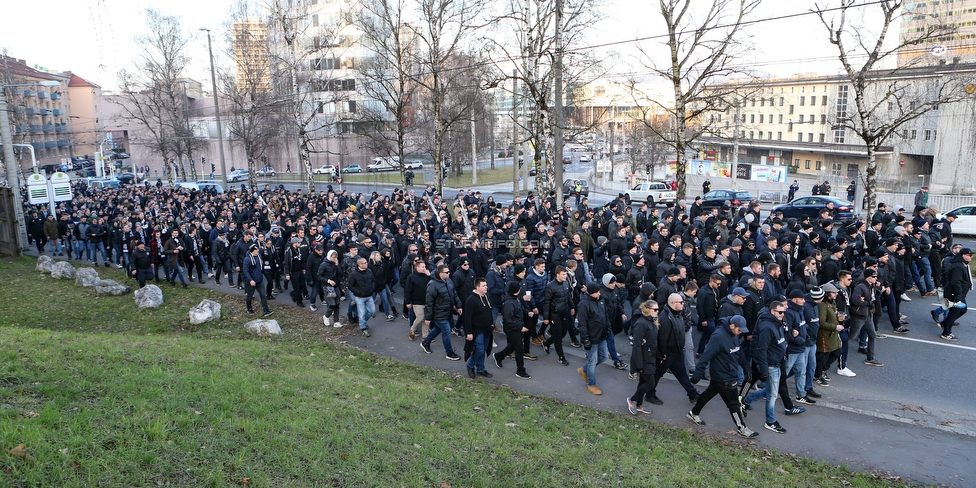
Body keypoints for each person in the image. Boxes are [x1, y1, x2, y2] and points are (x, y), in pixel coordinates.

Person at [687, 315, 757, 438]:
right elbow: (706, 355)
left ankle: (694, 412)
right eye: (739, 330)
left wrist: (746, 368)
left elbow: (738, 352)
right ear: (732, 325)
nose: (740, 333)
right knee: (733, 403)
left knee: (709, 392)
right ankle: (742, 428)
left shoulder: (734, 335)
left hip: (727, 374)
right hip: (723, 376)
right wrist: (698, 372)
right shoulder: (718, 336)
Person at [744, 300, 790, 434]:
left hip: (777, 362)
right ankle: (770, 421)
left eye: (784, 312)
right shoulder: (767, 327)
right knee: (772, 394)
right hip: (771, 365)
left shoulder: (777, 323)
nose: (782, 314)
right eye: (780, 312)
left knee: (771, 390)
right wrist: (764, 370)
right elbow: (761, 349)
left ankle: (747, 400)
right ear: (772, 311)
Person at [646, 293, 700, 405]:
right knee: (657, 374)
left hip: (677, 352)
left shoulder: (676, 314)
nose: (683, 304)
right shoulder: (665, 318)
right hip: (668, 354)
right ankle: (649, 395)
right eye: (680, 302)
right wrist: (662, 355)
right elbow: (662, 339)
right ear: (673, 303)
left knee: (682, 374)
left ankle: (692, 394)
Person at [421, 264, 463, 360]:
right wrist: (428, 317)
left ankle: (426, 342)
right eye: (446, 272)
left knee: (438, 329)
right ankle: (449, 352)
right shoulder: (432, 285)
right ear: (440, 274)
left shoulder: (448, 281)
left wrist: (458, 305)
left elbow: (454, 294)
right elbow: (429, 302)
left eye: (449, 272)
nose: (449, 273)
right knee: (446, 331)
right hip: (438, 312)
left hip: (447, 311)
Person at [493, 281, 532, 379]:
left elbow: (520, 309)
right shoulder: (510, 302)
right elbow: (509, 319)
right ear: (518, 290)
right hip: (512, 328)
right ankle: (520, 370)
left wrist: (527, 312)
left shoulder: (514, 299)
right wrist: (520, 327)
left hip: (515, 327)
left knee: (514, 345)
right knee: (519, 347)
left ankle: (499, 356)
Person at [626, 300, 660, 415]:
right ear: (647, 310)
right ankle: (633, 399)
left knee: (643, 382)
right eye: (655, 309)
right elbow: (637, 345)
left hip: (650, 356)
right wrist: (639, 364)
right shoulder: (641, 323)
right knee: (650, 383)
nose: (657, 312)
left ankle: (639, 404)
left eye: (657, 309)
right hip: (644, 358)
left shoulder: (651, 321)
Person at [577, 282, 610, 395]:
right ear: (590, 293)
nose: (598, 294)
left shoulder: (601, 300)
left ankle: (584, 370)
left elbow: (605, 314)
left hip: (601, 334)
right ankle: (591, 384)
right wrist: (585, 339)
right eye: (596, 292)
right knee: (592, 361)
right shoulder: (584, 304)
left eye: (599, 291)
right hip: (591, 337)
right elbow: (582, 323)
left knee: (604, 356)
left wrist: (608, 327)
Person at [940, 247, 973, 341]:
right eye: (969, 255)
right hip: (954, 293)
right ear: (963, 255)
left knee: (963, 309)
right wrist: (958, 295)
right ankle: (946, 332)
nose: (971, 257)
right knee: (955, 312)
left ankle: (944, 323)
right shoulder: (958, 266)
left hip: (959, 293)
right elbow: (955, 282)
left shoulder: (962, 264)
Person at [463, 278, 494, 379]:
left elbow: (488, 312)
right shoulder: (471, 300)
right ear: (477, 287)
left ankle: (481, 369)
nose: (486, 287)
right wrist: (469, 332)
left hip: (487, 329)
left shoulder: (486, 296)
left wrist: (492, 324)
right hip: (476, 330)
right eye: (484, 286)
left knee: (484, 349)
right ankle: (470, 365)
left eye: (486, 285)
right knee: (479, 349)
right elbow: (467, 317)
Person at [347, 256, 377, 337]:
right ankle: (364, 328)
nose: (367, 264)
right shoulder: (354, 274)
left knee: (372, 311)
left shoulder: (369, 271)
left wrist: (372, 288)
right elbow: (350, 285)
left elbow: (373, 281)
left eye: (366, 262)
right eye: (365, 263)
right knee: (362, 313)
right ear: (359, 265)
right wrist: (358, 292)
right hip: (359, 297)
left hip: (369, 295)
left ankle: (362, 322)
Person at [243, 243, 273, 317]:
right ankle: (249, 309)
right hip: (251, 281)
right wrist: (250, 280)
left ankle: (266, 310)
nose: (258, 250)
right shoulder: (247, 259)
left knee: (263, 294)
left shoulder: (259, 256)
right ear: (252, 250)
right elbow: (245, 271)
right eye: (256, 249)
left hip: (259, 280)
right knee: (249, 296)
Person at [404, 259, 431, 340]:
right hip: (417, 301)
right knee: (420, 317)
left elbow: (433, 285)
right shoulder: (411, 277)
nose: (424, 268)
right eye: (422, 267)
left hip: (427, 300)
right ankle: (412, 329)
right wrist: (408, 301)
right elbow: (407, 290)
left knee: (427, 319)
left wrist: (429, 275)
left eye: (425, 267)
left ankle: (425, 336)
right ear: (417, 268)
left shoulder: (427, 276)